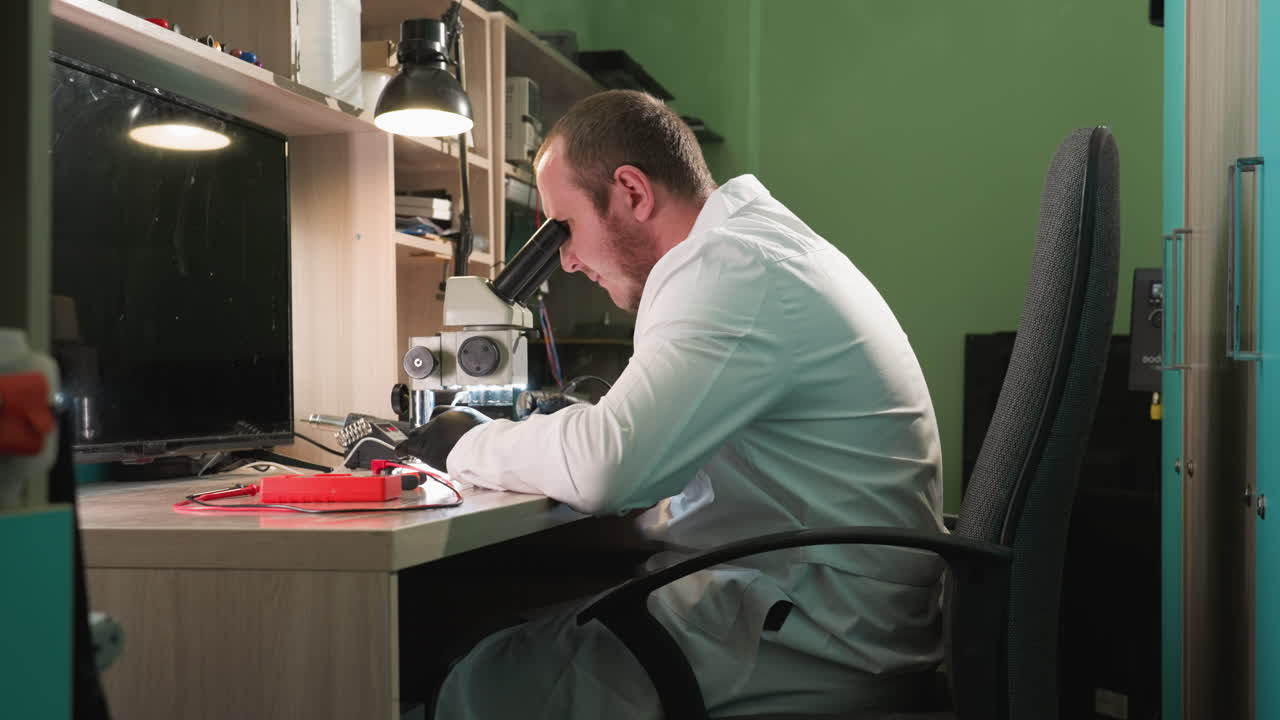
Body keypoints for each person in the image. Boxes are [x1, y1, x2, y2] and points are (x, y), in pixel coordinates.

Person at [426, 89, 947, 718]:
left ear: (632, 191)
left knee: (477, 678)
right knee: (512, 622)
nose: (565, 259)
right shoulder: (754, 248)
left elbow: (608, 465)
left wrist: (460, 443)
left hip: (818, 640)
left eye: (566, 226)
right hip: (824, 611)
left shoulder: (729, 264)